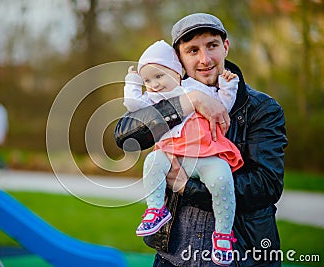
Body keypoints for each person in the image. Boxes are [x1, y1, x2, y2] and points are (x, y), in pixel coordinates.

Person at [115, 13, 287, 266]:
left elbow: (266, 186)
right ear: (179, 59)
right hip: (174, 255)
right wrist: (190, 101)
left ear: (225, 46)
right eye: (192, 50)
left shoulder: (262, 108)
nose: (204, 59)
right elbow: (126, 135)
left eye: (212, 46)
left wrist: (188, 188)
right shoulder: (165, 96)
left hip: (242, 257)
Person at [123, 40, 243, 265]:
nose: (154, 84)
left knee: (222, 177)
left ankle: (223, 234)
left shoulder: (195, 88)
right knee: (151, 161)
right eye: (148, 80)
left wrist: (228, 86)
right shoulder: (153, 100)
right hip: (172, 155)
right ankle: (156, 211)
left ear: (176, 72)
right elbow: (132, 104)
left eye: (159, 76)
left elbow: (222, 106)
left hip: (205, 155)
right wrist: (133, 80)